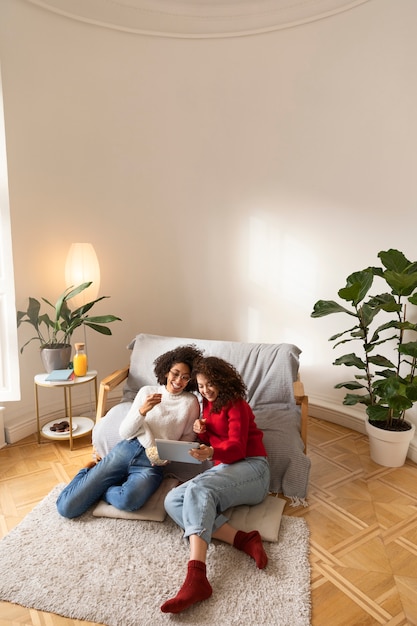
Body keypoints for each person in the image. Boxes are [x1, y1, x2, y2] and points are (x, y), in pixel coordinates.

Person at [161, 356, 270, 614]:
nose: (205, 390)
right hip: (226, 469)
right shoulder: (206, 405)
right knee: (172, 500)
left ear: (223, 381)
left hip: (253, 468)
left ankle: (196, 577)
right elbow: (214, 442)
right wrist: (202, 431)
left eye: (210, 384)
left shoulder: (237, 405)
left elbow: (236, 448)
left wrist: (210, 452)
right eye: (200, 385)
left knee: (199, 490)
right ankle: (242, 539)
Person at [56, 345, 202, 518]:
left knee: (129, 501)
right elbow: (126, 432)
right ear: (166, 372)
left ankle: (103, 489)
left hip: (152, 463)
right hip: (127, 449)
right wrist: (142, 411)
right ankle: (88, 472)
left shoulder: (190, 403)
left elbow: (187, 440)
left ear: (190, 380)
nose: (179, 381)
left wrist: (165, 455)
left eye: (185, 377)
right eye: (175, 373)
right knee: (66, 508)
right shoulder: (147, 392)